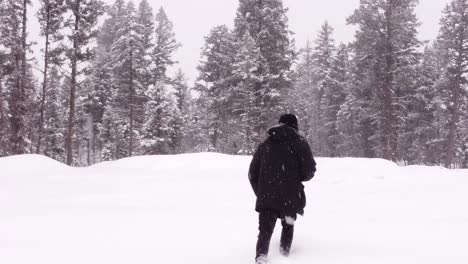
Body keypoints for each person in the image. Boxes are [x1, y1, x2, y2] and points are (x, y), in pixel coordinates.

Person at [248, 114, 316, 264]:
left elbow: (252, 173)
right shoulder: (300, 143)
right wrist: (296, 179)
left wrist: (261, 192)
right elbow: (310, 170)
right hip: (290, 196)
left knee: (265, 231)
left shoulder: (266, 144)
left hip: (267, 196)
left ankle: (261, 257)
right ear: (295, 126)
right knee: (288, 225)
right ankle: (284, 256)